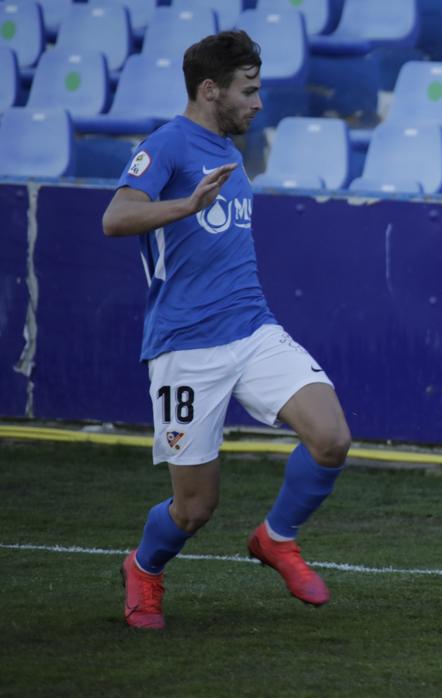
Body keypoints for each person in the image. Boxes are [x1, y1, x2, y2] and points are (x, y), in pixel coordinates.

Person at [102, 30, 352, 630]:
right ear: (210, 90)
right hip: (184, 345)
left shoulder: (230, 150)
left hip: (251, 327)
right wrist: (185, 206)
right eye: (249, 91)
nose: (258, 103)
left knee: (331, 437)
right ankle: (143, 569)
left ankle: (276, 539)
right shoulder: (165, 146)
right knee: (194, 509)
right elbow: (116, 218)